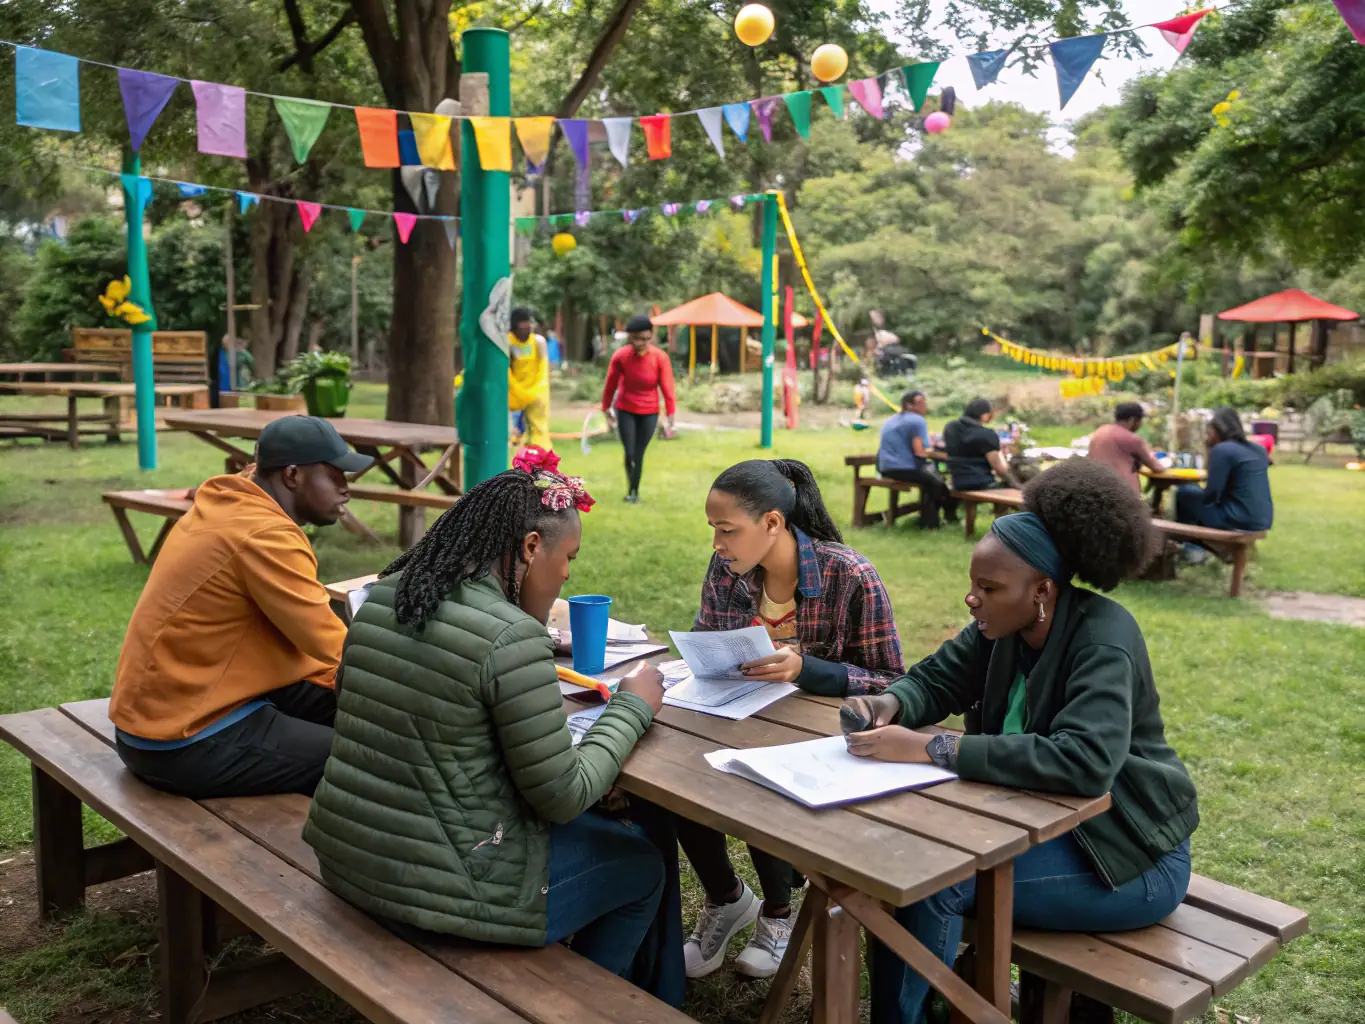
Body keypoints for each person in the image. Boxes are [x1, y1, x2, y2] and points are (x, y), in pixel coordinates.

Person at [304, 447, 681, 995]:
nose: (568, 573)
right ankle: (574, 1005)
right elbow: (562, 795)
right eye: (567, 557)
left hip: (350, 858)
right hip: (442, 893)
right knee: (643, 867)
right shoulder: (512, 637)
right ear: (531, 547)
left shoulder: (384, 599)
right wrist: (633, 706)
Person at [840, 459, 1197, 1024]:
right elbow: (937, 679)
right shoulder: (1001, 627)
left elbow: (1085, 762)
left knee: (930, 880)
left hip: (1127, 859)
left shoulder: (1103, 640)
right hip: (1040, 829)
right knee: (902, 857)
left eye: (988, 587)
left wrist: (937, 748)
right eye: (973, 585)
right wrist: (889, 704)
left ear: (1042, 591)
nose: (972, 599)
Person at [679, 459, 904, 980]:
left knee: (761, 780)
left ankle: (779, 915)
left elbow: (892, 680)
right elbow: (709, 638)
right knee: (673, 774)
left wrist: (809, 669)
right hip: (739, 718)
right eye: (714, 530)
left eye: (728, 530)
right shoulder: (727, 571)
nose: (718, 544)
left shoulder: (850, 574)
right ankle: (726, 898)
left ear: (774, 523)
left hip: (821, 742)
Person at [110, 416, 375, 798]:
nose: (346, 490)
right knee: (373, 760)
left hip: (160, 711)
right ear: (292, 475)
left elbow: (315, 641)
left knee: (370, 712)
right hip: (183, 739)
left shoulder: (230, 502)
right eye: (335, 477)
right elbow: (333, 643)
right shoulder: (264, 535)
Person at [602, 314, 676, 503]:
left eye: (645, 338)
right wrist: (606, 408)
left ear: (650, 336)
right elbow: (611, 383)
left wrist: (670, 415)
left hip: (649, 411)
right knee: (629, 451)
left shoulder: (660, 358)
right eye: (636, 338)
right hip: (626, 408)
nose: (641, 343)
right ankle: (631, 488)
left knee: (639, 452)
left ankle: (634, 491)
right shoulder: (621, 356)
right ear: (630, 337)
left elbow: (667, 387)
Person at [1175, 407, 1274, 534]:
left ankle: (1188, 544)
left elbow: (1212, 494)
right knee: (1193, 493)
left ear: (1218, 429)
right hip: (1262, 521)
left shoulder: (1222, 449)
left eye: (1209, 431)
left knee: (1184, 492)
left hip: (1237, 520)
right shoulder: (1258, 449)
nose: (1207, 436)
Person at [877, 390, 957, 528]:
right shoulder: (916, 420)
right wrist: (946, 456)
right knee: (938, 484)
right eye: (920, 402)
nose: (924, 405)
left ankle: (929, 521)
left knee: (932, 481)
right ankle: (932, 523)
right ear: (909, 405)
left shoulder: (892, 419)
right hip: (902, 468)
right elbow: (920, 452)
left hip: (884, 467)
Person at [1087, 401, 1165, 495]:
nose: (1141, 424)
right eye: (1140, 421)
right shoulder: (1132, 439)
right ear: (1133, 420)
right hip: (1122, 495)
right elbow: (1157, 468)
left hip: (1093, 489)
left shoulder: (1099, 432)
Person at [943, 398, 1019, 491]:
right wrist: (1015, 483)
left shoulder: (951, 427)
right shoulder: (987, 434)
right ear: (985, 415)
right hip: (981, 483)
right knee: (1014, 486)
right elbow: (999, 469)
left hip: (957, 482)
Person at [509, 307, 552, 451]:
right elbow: (507, 368)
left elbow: (543, 367)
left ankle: (540, 456)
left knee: (539, 428)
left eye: (529, 323)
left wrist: (538, 389)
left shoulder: (538, 342)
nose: (527, 328)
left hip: (536, 390)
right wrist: (517, 390)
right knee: (511, 429)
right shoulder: (508, 342)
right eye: (523, 324)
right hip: (515, 393)